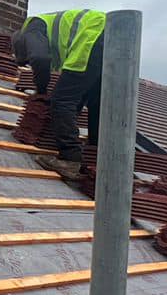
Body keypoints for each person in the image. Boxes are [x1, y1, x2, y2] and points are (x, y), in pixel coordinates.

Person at [10, 9, 105, 180]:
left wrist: (41, 90)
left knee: (60, 101)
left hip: (91, 38)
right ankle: (96, 156)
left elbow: (39, 59)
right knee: (95, 102)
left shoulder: (31, 27)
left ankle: (70, 158)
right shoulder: (48, 30)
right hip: (109, 37)